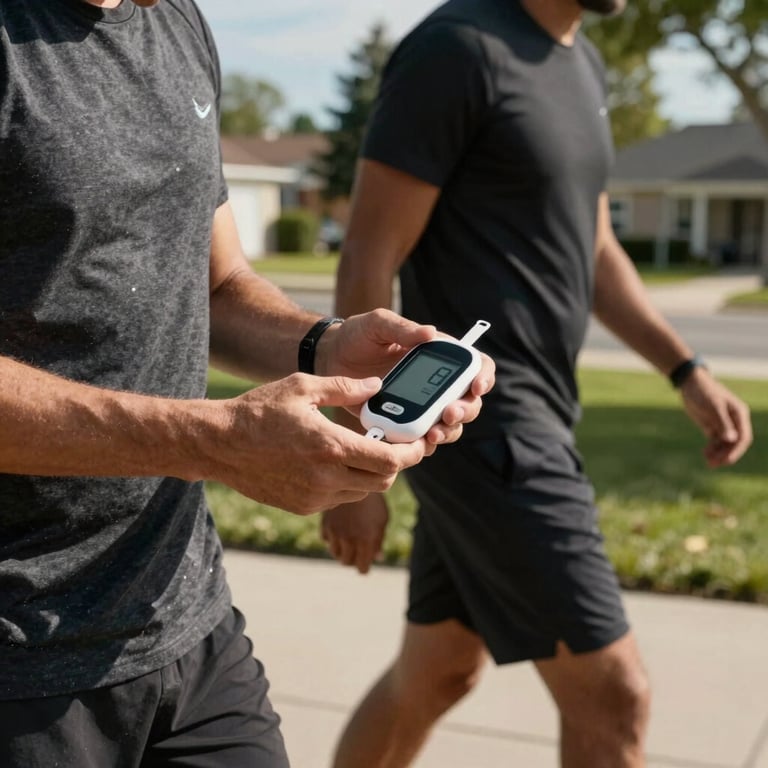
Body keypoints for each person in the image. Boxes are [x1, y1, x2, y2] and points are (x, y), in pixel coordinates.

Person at [0, 1, 495, 766]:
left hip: (185, 620)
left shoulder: (175, 22)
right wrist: (216, 442)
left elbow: (218, 283)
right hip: (20, 662)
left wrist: (324, 346)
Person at [321, 0, 754, 765]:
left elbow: (595, 247)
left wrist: (685, 369)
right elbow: (368, 256)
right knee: (614, 695)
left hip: (537, 415)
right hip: (485, 424)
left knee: (439, 671)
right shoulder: (458, 50)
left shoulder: (581, 63)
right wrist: (352, 459)